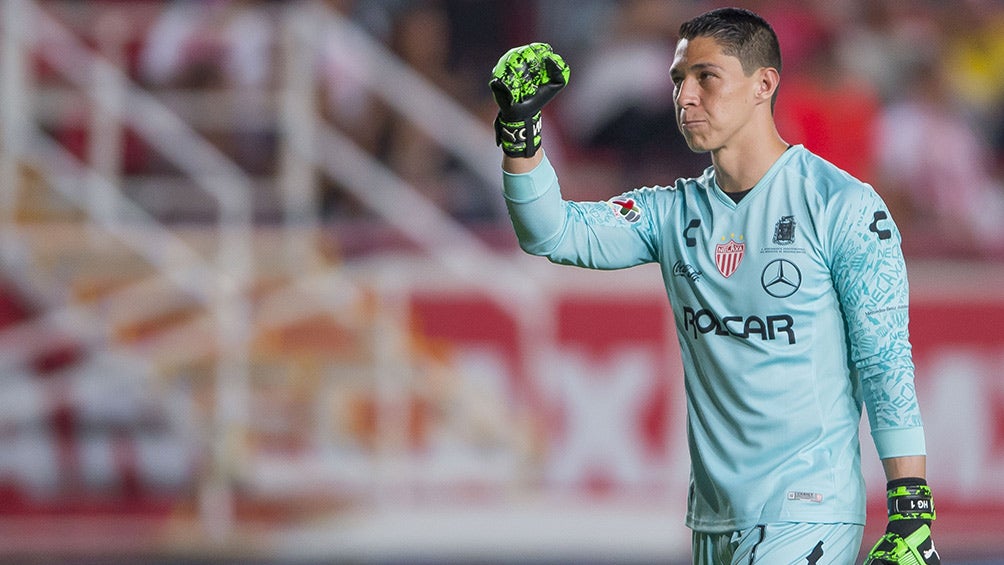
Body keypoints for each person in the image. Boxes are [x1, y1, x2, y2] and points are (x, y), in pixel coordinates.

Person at [489, 7, 938, 565]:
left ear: (763, 84)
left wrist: (911, 507)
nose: (685, 96)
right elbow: (551, 232)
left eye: (706, 77)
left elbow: (885, 358)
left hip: (807, 509)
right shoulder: (672, 213)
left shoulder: (841, 206)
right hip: (713, 519)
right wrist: (518, 130)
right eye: (678, 80)